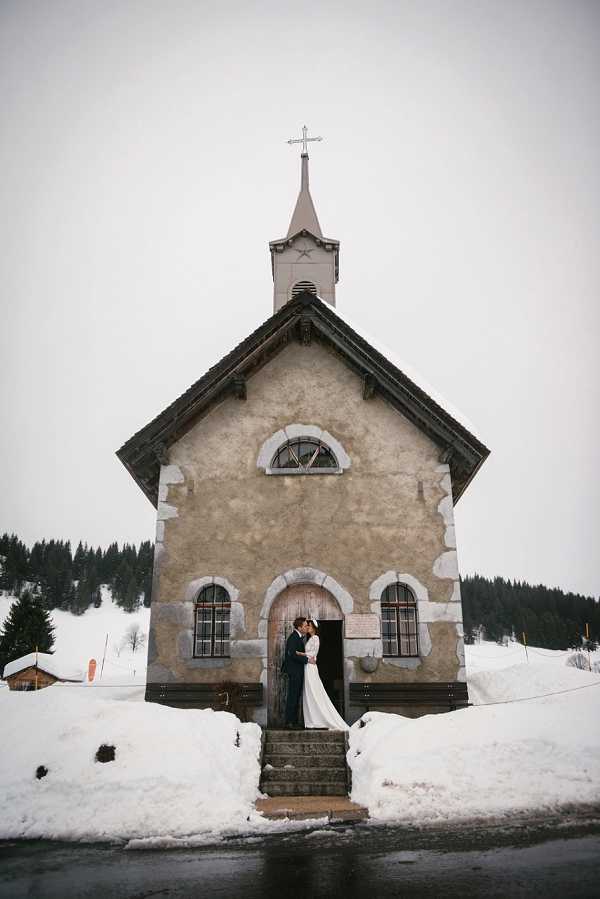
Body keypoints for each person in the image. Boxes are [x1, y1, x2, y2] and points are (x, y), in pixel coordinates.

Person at [296, 619, 348, 730]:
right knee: (309, 692)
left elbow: (313, 653)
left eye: (309, 626)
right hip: (308, 666)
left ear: (314, 628)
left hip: (311, 666)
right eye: (307, 626)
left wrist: (300, 653)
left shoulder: (316, 638)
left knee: (314, 691)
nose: (307, 627)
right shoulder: (311, 638)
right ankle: (311, 720)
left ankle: (318, 719)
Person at [282, 616, 311, 728]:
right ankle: (289, 722)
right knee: (293, 696)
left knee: (295, 695)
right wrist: (307, 660)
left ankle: (293, 721)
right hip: (294, 671)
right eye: (304, 626)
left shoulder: (298, 638)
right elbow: (293, 654)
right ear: (299, 627)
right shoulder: (293, 638)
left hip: (297, 671)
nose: (306, 627)